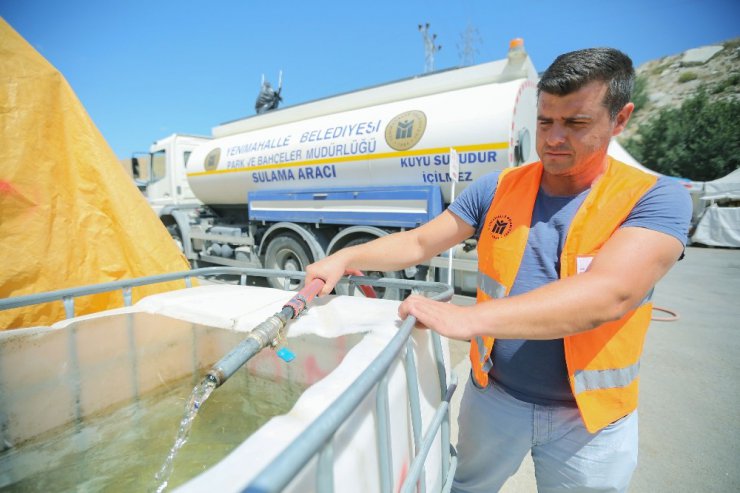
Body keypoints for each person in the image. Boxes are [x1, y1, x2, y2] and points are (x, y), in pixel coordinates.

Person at [305, 47, 692, 492]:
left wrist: (467, 319)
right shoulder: (500, 187)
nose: (553, 138)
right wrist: (345, 258)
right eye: (546, 120)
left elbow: (610, 293)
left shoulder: (655, 197)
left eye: (576, 123)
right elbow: (419, 241)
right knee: (466, 487)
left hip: (590, 421)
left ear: (620, 119)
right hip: (495, 400)